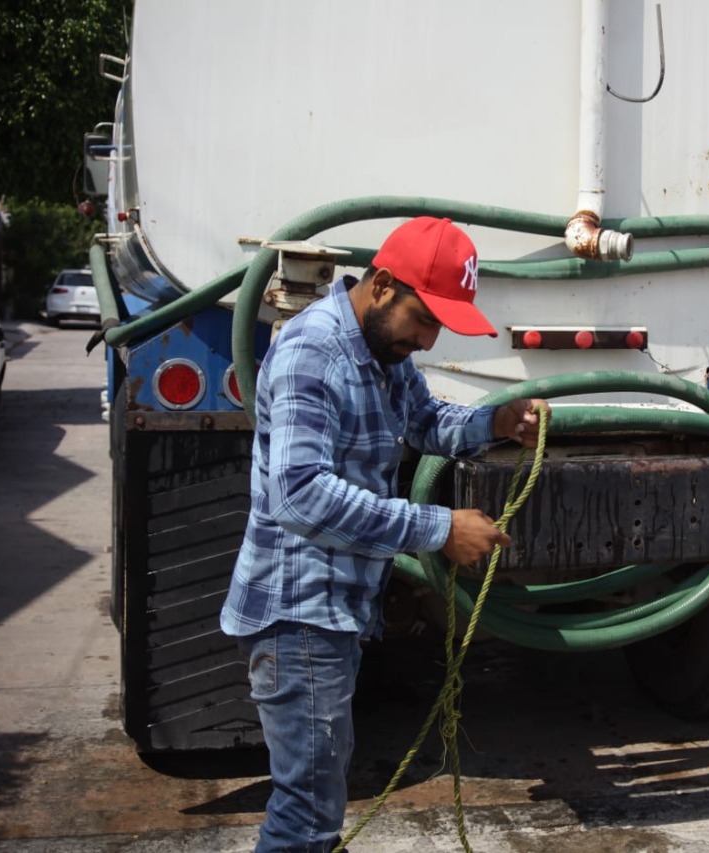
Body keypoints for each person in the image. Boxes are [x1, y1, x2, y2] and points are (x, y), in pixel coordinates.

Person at [220, 216, 549, 853]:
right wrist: (438, 527)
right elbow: (298, 494)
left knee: (313, 807)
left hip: (329, 613)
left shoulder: (380, 354)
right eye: (423, 320)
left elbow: (424, 420)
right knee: (306, 817)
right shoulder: (311, 352)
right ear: (383, 286)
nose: (427, 340)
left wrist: (497, 423)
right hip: (299, 617)